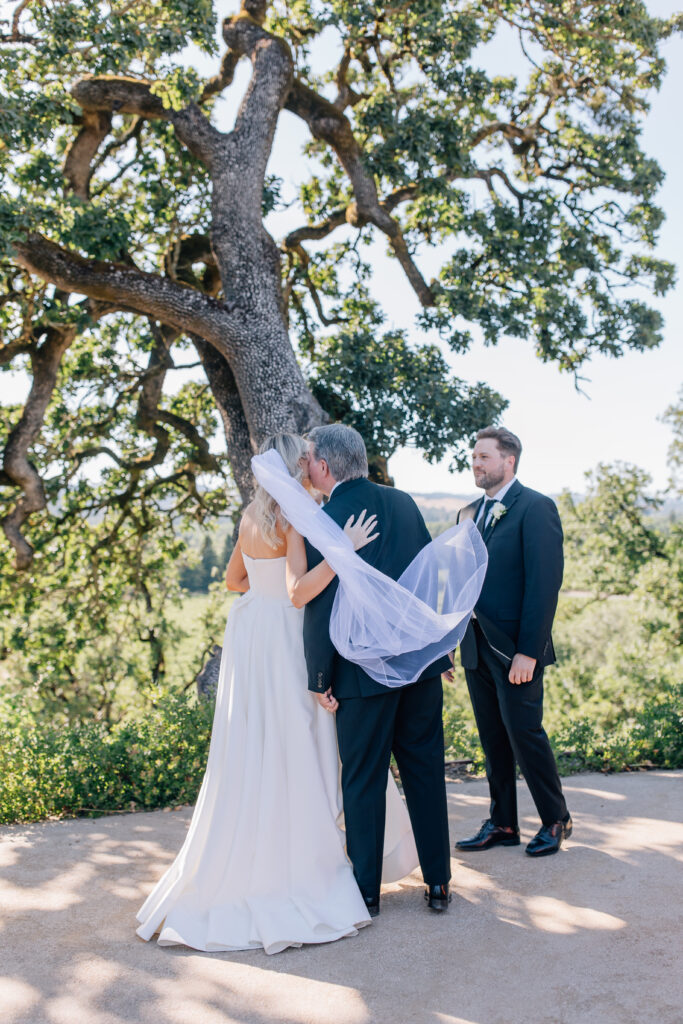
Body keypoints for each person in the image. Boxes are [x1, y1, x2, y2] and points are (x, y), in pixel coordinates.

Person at [135, 433, 418, 955]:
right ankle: (313, 852)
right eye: (305, 459)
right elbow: (298, 591)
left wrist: (262, 595)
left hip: (251, 637)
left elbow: (232, 581)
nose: (311, 465)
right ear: (296, 468)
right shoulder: (295, 517)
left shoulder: (249, 514)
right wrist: (341, 552)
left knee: (257, 738)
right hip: (286, 637)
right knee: (305, 736)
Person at [302, 424, 453, 916]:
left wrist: (319, 678)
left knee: (363, 779)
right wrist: (439, 654)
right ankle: (438, 883)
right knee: (425, 771)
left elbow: (320, 605)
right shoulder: (406, 503)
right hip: (418, 667)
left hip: (359, 674)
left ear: (324, 466)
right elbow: (425, 577)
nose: (305, 467)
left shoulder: (326, 517)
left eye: (308, 459)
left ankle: (366, 891)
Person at [452, 426, 572, 857]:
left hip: (515, 649)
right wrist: (449, 643)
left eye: (484, 457)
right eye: (474, 458)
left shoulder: (536, 508)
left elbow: (544, 586)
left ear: (509, 461)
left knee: (524, 733)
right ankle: (503, 822)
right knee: (492, 737)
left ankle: (555, 819)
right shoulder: (467, 514)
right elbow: (462, 585)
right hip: (474, 645)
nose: (476, 464)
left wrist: (529, 652)